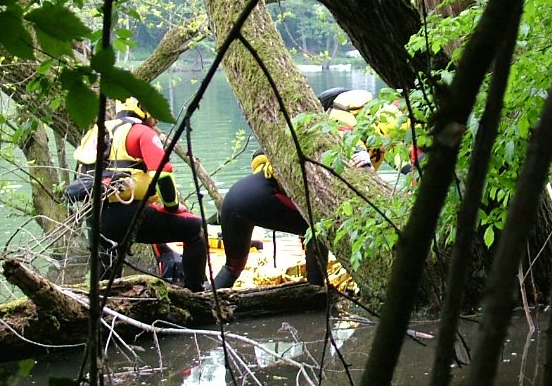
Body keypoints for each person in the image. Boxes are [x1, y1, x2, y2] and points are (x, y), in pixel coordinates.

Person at [211, 89, 387, 290]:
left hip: (236, 200)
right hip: (256, 199)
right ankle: (316, 290)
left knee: (232, 269)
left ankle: (202, 299)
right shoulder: (332, 136)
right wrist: (365, 165)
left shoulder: (308, 135)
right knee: (319, 227)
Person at [70, 96, 209, 290]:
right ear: (140, 109)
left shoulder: (96, 132)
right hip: (126, 214)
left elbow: (80, 174)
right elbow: (163, 175)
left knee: (106, 269)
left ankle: (105, 305)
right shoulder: (142, 133)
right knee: (195, 229)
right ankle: (196, 293)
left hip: (94, 216)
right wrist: (174, 206)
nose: (157, 118)